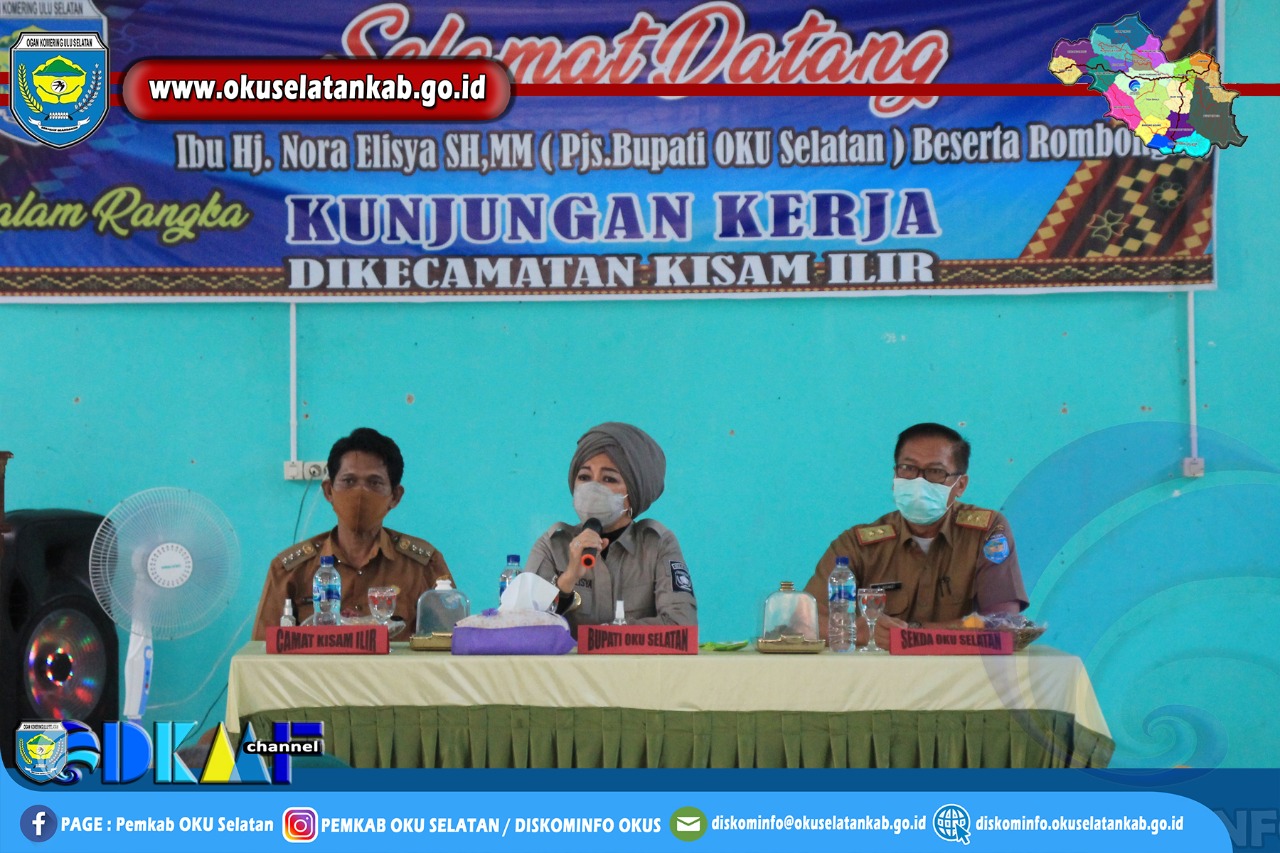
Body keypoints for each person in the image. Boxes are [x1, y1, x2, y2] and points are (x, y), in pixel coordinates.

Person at [804, 423, 1028, 649]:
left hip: (960, 668)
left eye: (935, 472)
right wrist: (856, 631)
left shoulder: (986, 532)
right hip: (877, 670)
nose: (918, 481)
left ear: (960, 485)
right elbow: (805, 622)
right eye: (908, 468)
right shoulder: (857, 545)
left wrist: (912, 633)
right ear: (895, 476)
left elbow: (1004, 623)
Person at [251, 427, 452, 640]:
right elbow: (261, 652)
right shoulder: (290, 571)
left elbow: (450, 648)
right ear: (328, 491)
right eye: (349, 481)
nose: (360, 493)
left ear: (395, 496)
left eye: (374, 483)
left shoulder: (423, 566)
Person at [527, 422, 696, 633]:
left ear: (633, 492)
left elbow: (681, 626)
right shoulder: (553, 545)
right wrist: (568, 579)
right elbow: (523, 626)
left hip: (634, 658)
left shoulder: (657, 545)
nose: (593, 488)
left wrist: (605, 636)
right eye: (584, 477)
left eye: (609, 479)